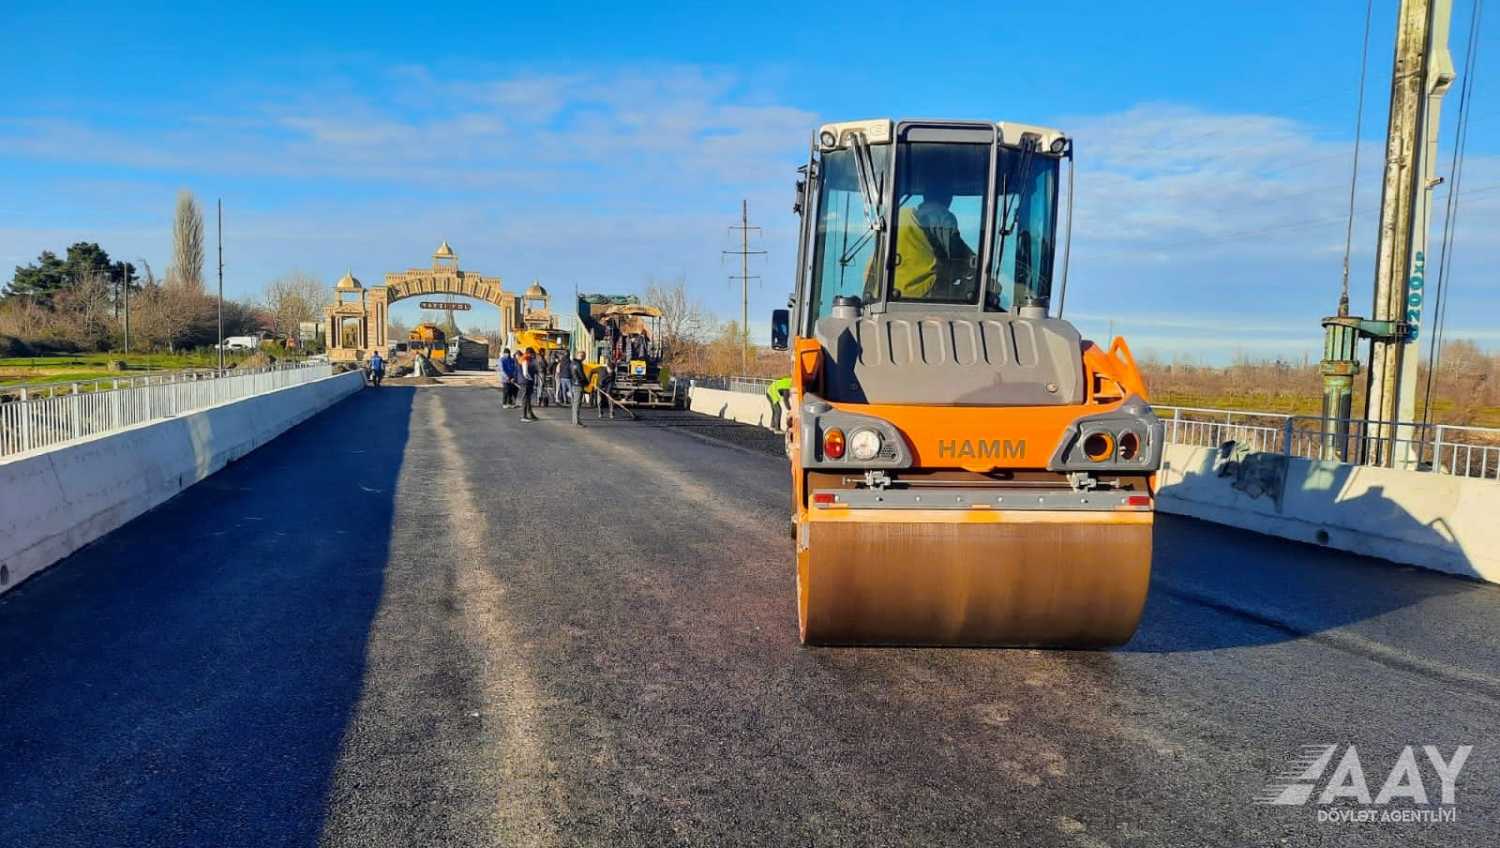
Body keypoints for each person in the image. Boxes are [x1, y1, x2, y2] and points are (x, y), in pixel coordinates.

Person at [567, 351, 587, 426]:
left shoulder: (572, 363)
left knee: (575, 403)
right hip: (578, 385)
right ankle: (576, 421)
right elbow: (581, 375)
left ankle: (574, 420)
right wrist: (586, 382)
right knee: (577, 404)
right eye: (584, 356)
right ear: (581, 356)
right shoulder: (578, 364)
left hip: (573, 384)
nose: (584, 358)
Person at [517, 348, 537, 421]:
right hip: (525, 381)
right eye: (533, 354)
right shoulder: (525, 359)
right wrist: (530, 379)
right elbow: (525, 373)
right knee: (525, 398)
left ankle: (530, 414)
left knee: (528, 398)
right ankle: (524, 416)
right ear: (529, 353)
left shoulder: (528, 359)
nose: (533, 356)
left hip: (526, 381)